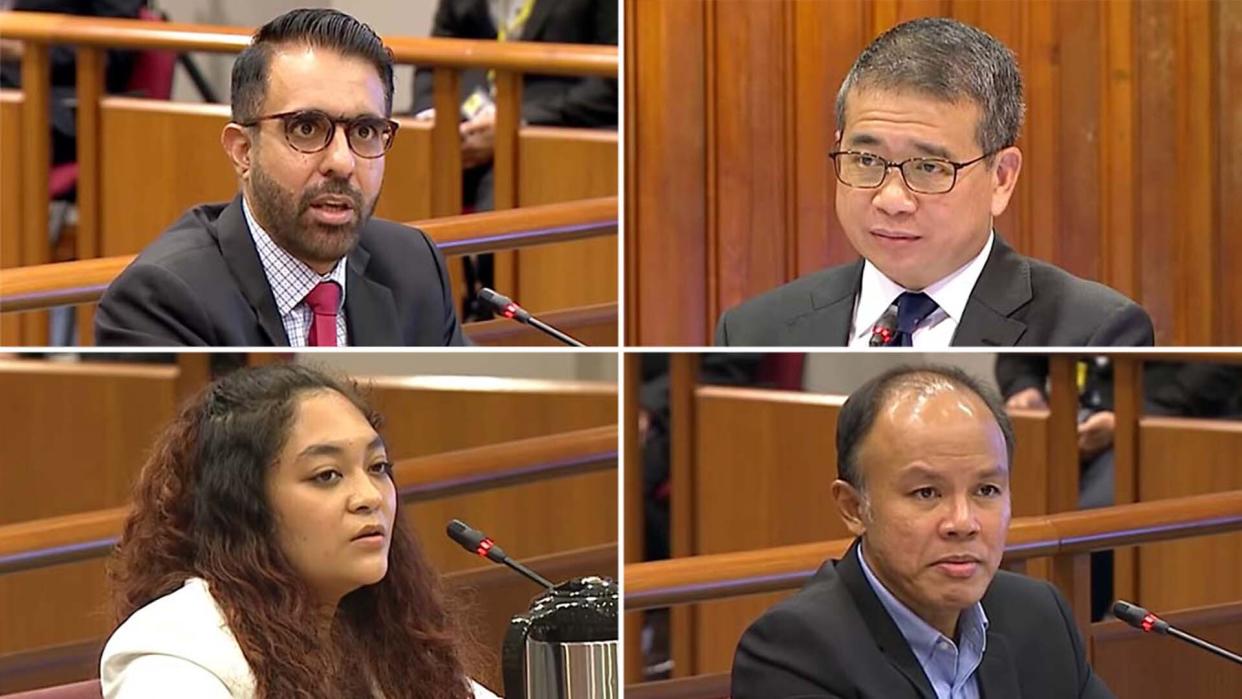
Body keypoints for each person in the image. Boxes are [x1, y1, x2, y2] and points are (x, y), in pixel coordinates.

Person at [715, 17, 1153, 347]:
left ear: (1001, 178)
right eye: (867, 159)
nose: (891, 199)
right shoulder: (754, 330)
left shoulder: (1094, 332)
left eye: (927, 168)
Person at [100, 363, 499, 697]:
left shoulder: (386, 633)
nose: (369, 497)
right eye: (327, 475)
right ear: (245, 505)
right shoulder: (175, 647)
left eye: (377, 468)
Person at [731, 365, 1114, 698]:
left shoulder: (1038, 613)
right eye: (926, 493)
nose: (963, 522)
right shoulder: (793, 651)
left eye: (986, 491)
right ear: (853, 508)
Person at [95, 9, 466, 346]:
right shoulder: (161, 301)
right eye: (306, 128)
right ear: (243, 150)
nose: (342, 162)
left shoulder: (415, 266)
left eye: (365, 131)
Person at [410, 0, 618, 320]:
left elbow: (611, 83)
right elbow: (434, 55)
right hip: (460, 127)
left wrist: (512, 122)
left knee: (500, 206)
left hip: (551, 134)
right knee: (400, 179)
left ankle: (494, 321)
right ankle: (421, 317)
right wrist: (439, 116)